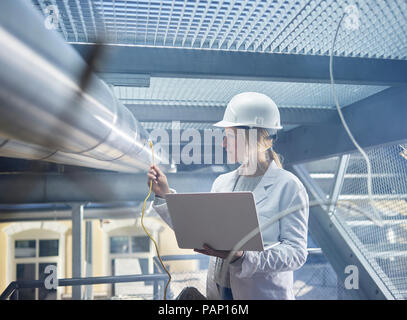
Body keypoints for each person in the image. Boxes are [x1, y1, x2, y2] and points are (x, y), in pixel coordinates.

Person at [147, 92, 309, 300]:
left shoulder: (288, 186)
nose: (224, 144)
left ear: (257, 138)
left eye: (230, 137)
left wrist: (244, 257)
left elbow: (296, 253)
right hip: (220, 291)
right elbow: (197, 229)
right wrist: (164, 193)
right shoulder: (222, 182)